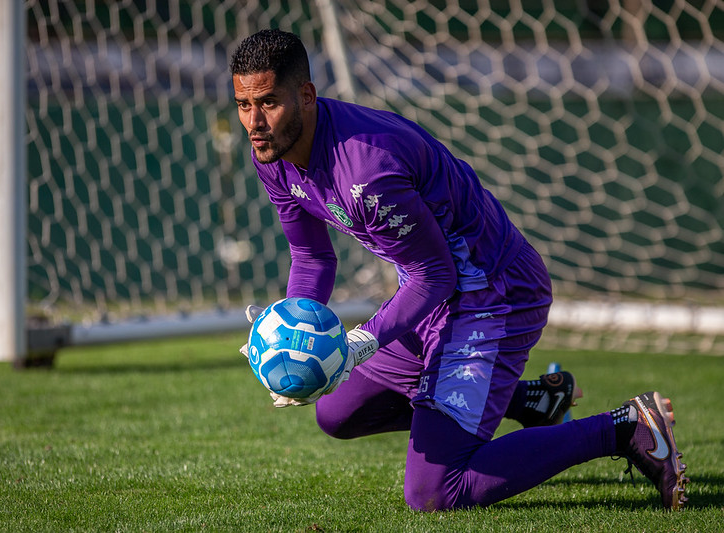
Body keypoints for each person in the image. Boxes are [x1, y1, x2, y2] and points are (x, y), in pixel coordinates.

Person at [229, 29, 688, 511]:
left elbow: (437, 276)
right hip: (430, 294)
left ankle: (625, 428)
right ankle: (527, 401)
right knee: (337, 412)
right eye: (243, 104)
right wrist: (292, 332)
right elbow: (312, 257)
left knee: (433, 492)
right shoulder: (273, 153)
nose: (255, 122)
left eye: (268, 103)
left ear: (305, 95)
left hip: (493, 295)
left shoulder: (367, 170)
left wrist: (357, 342)